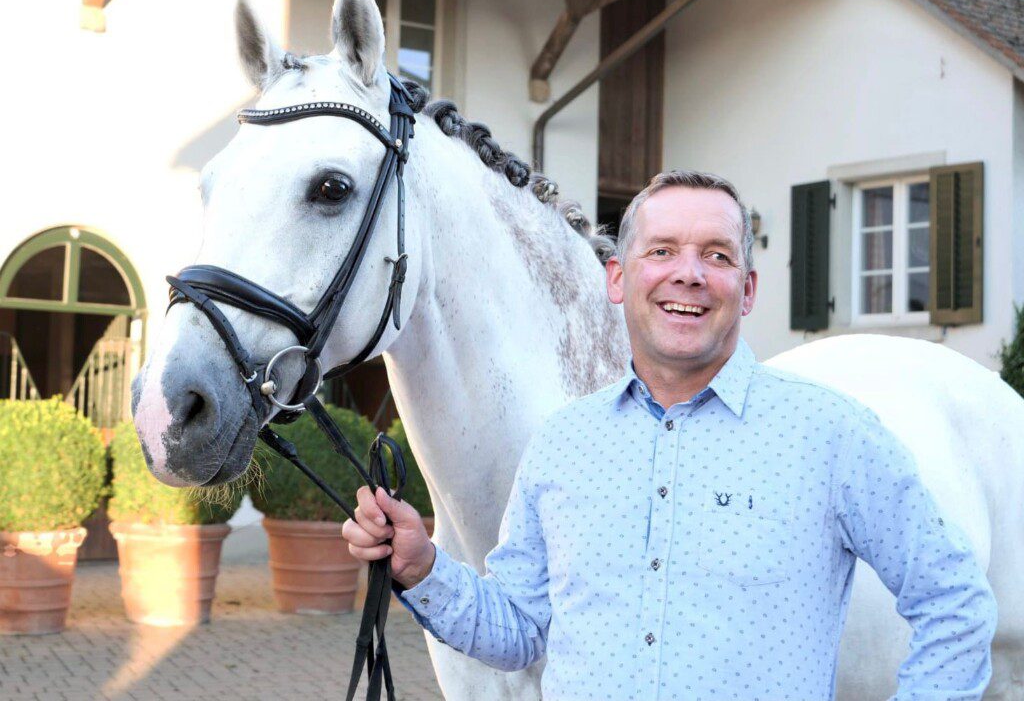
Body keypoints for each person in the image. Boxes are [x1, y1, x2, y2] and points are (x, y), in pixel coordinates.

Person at [342, 170, 997, 700]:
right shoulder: (566, 444)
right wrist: (422, 566)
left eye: (717, 255)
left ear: (747, 289)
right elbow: (518, 629)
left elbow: (954, 599)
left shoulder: (831, 436)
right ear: (619, 279)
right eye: (662, 251)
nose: (689, 273)